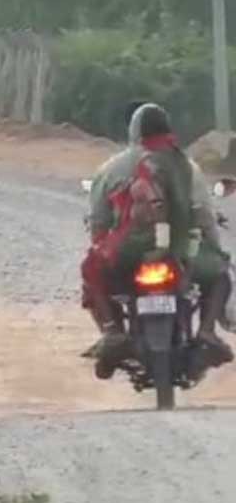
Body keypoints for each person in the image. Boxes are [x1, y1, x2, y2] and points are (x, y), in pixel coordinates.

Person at [81, 102, 233, 379]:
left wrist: (101, 249)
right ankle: (207, 330)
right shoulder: (187, 167)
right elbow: (205, 217)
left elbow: (99, 222)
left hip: (127, 252)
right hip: (182, 252)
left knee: (93, 274)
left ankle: (114, 332)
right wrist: (215, 250)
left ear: (133, 132)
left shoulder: (111, 169)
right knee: (220, 274)